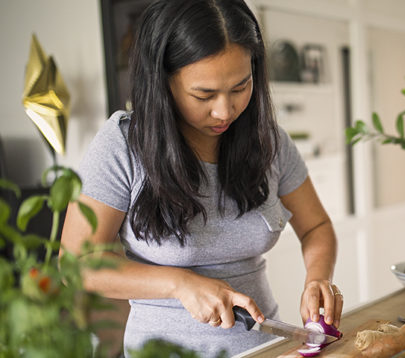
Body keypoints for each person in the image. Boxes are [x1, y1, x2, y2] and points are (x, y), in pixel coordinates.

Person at [59, 0, 342, 356]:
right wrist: (178, 283)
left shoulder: (268, 141)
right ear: (162, 82)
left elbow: (316, 226)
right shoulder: (122, 144)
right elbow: (76, 264)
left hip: (266, 348)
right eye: (204, 95)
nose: (225, 111)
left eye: (240, 87)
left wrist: (318, 278)